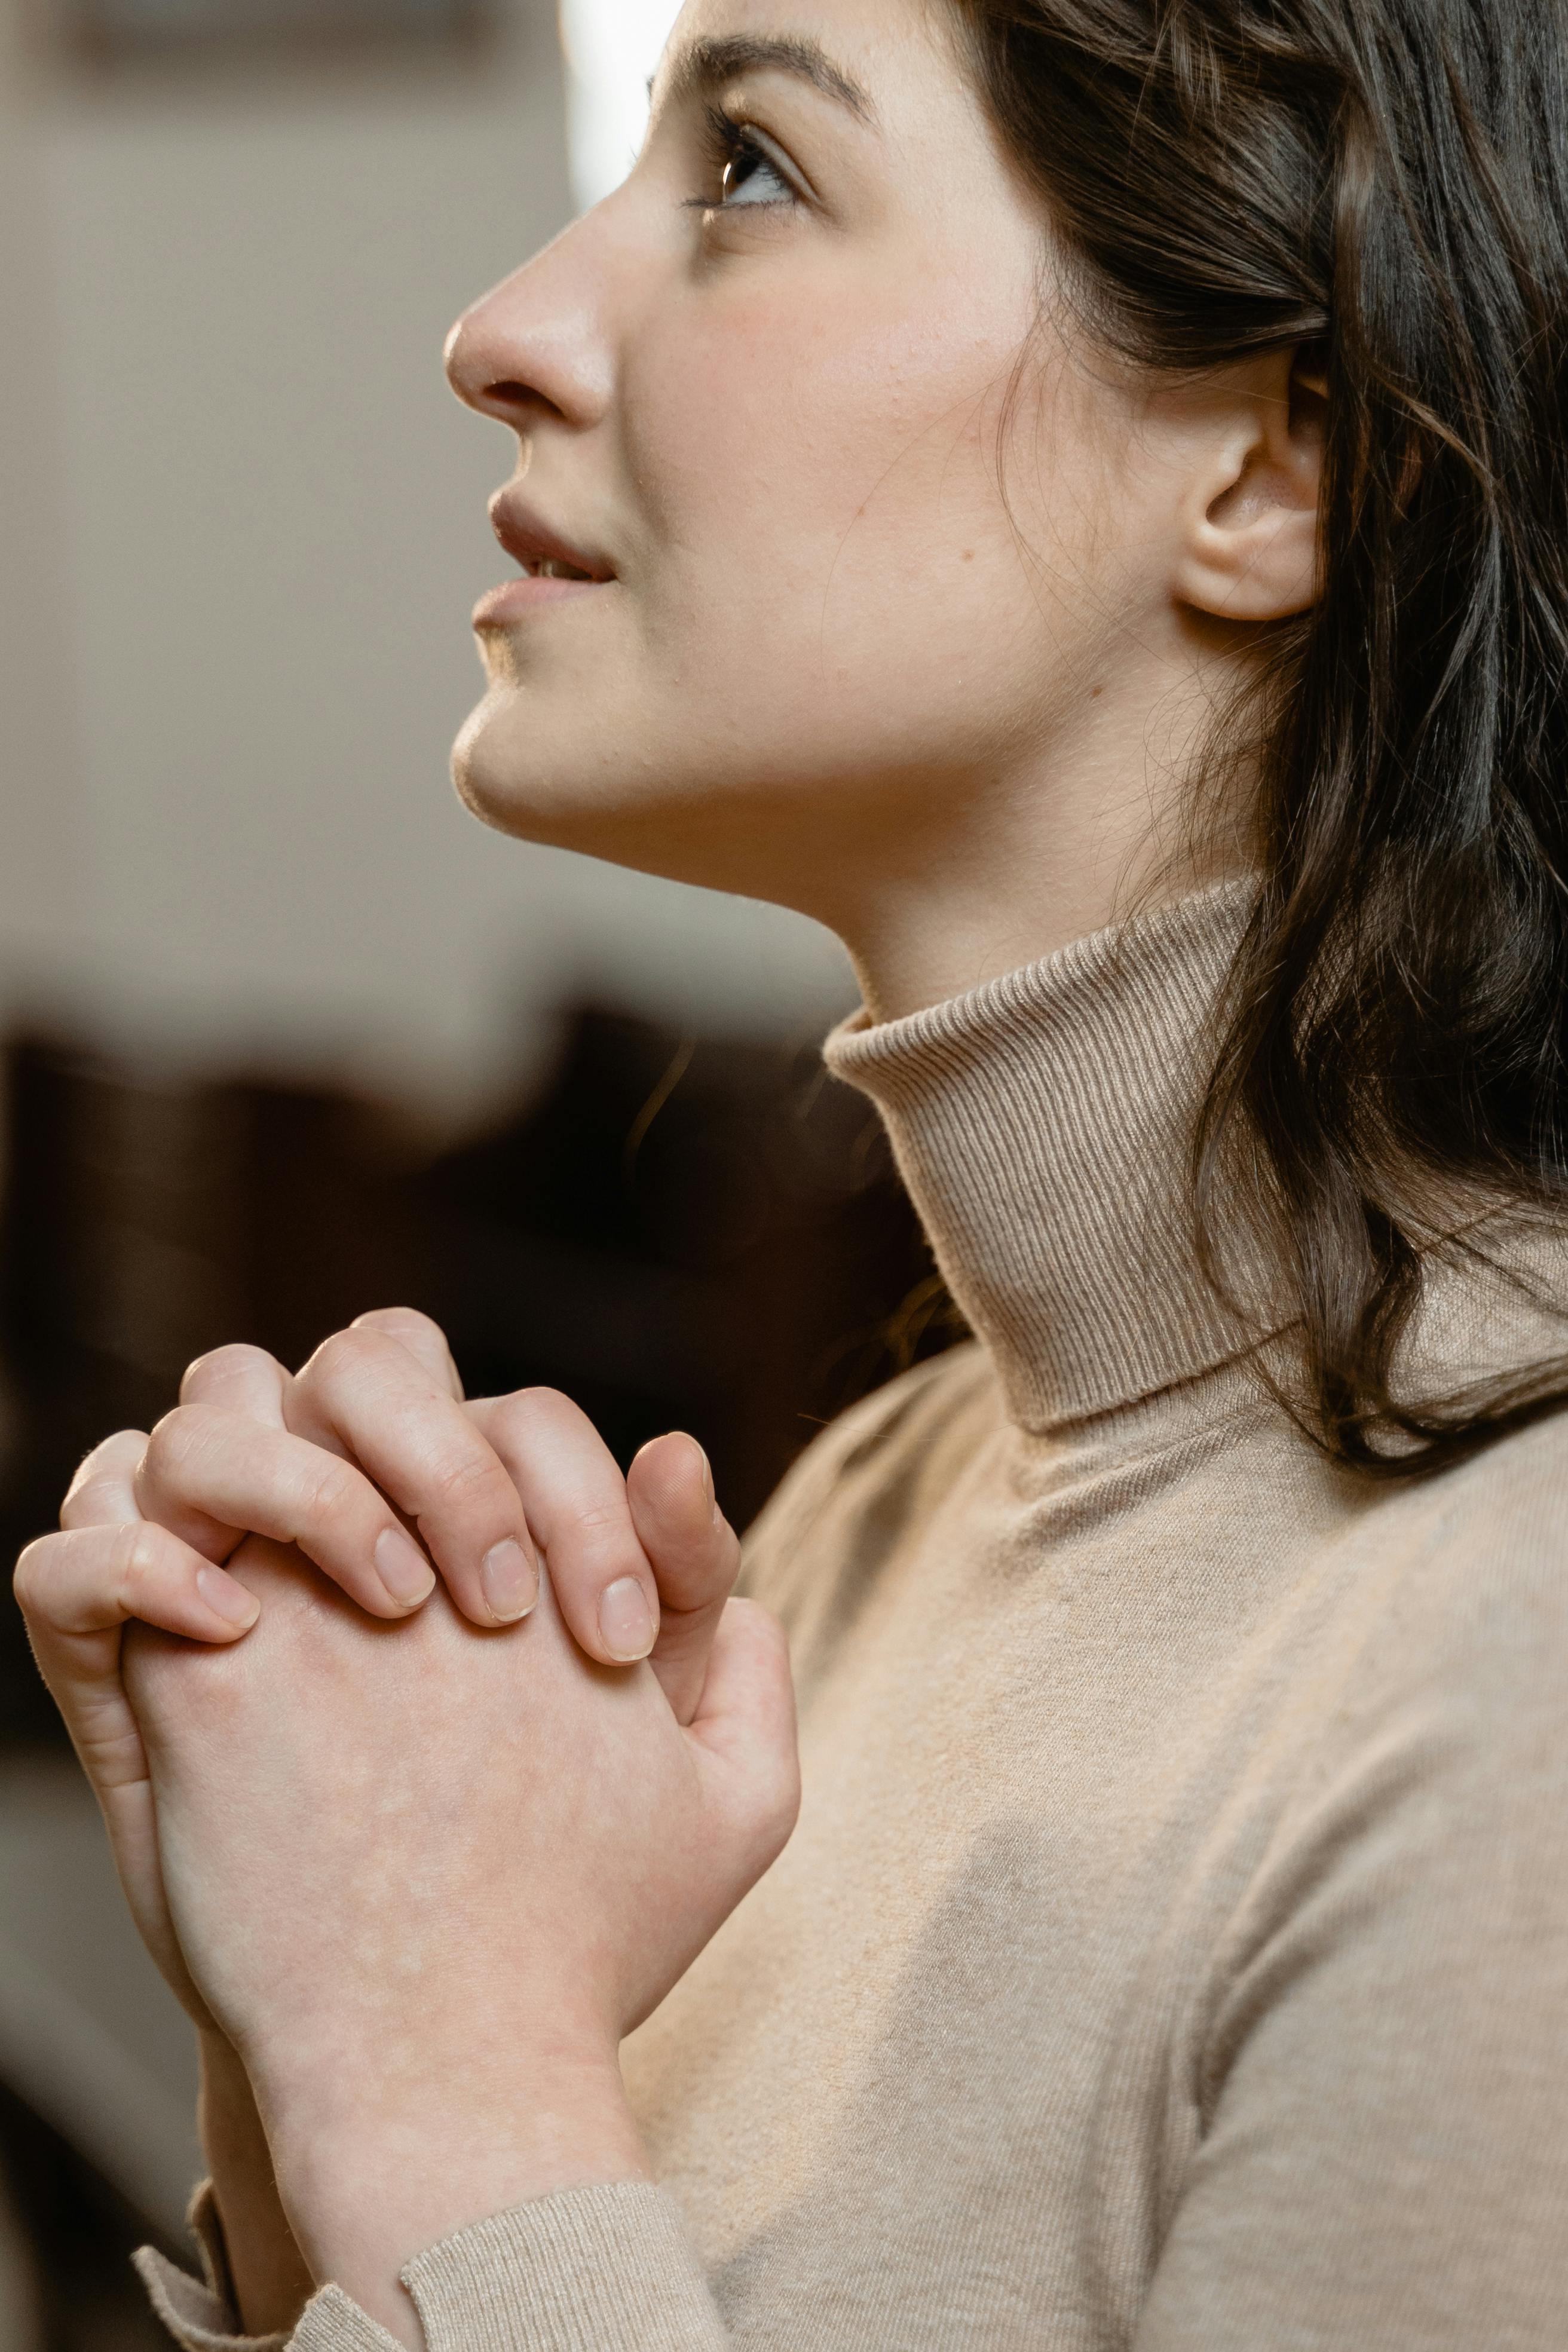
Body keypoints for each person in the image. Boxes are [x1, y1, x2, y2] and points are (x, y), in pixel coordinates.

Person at [14, 0, 1568, 2343]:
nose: (500, 330)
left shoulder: (1507, 1684)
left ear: (1261, 466)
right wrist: (314, 2017)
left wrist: (438, 2087)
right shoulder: (871, 1509)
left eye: (750, 169)